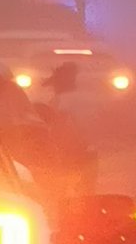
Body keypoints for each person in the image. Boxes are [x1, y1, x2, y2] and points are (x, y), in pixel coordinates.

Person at [39, 61, 98, 197]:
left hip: (69, 150)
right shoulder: (87, 100)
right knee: (87, 189)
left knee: (61, 187)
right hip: (89, 149)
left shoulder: (61, 101)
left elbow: (60, 126)